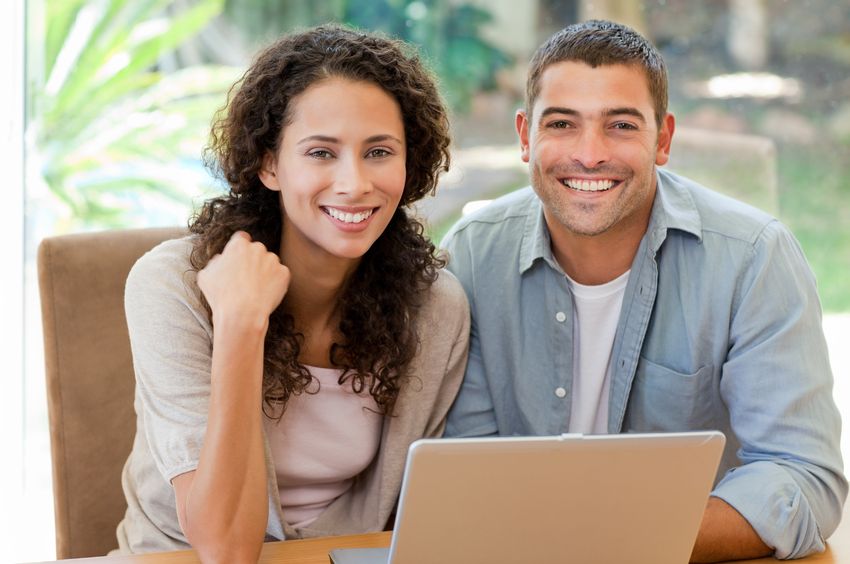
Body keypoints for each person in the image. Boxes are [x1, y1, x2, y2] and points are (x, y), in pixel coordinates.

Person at [442, 19, 846, 562]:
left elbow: (802, 477)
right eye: (562, 123)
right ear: (524, 136)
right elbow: (463, 468)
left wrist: (622, 541)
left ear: (663, 140)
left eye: (621, 126)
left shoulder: (754, 256)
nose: (589, 154)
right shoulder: (472, 253)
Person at [115, 25, 469, 562]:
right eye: (321, 153)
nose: (354, 183)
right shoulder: (173, 286)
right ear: (269, 164)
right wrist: (240, 324)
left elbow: (415, 522)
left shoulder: (434, 306)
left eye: (378, 151)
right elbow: (225, 550)